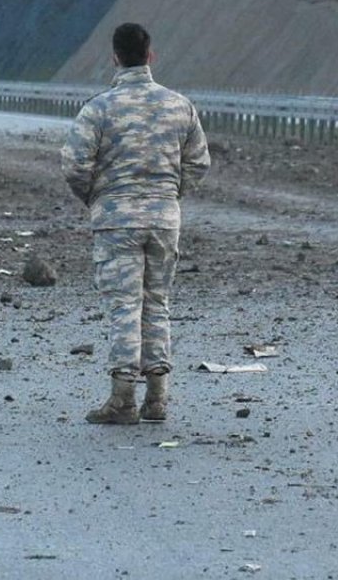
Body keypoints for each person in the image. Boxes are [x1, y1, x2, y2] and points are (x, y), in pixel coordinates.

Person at [60, 23, 210, 425]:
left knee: (124, 305)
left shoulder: (99, 108)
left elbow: (75, 164)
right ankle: (158, 398)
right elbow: (199, 161)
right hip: (164, 220)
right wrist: (170, 195)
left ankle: (123, 398)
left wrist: (97, 198)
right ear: (150, 56)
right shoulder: (180, 106)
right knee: (156, 302)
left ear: (114, 57)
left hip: (116, 221)